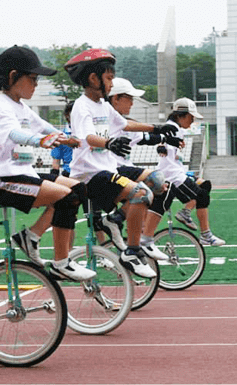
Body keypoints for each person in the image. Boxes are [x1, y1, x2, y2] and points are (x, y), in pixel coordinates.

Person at [0, 45, 95, 281]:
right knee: (67, 198)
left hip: (23, 174)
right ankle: (61, 263)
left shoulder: (20, 107)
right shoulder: (0, 107)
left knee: (77, 189)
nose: (36, 83)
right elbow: (14, 134)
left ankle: (31, 237)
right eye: (32, 78)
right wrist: (41, 140)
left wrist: (68, 139)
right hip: (0, 181)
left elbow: (44, 126)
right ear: (12, 76)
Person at [64, 49, 176, 278]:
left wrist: (156, 128)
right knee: (141, 193)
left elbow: (125, 124)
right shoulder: (82, 106)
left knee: (148, 190)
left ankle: (119, 227)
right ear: (94, 79)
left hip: (106, 170)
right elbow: (86, 137)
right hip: (88, 174)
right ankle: (131, 252)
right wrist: (109, 143)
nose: (112, 82)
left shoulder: (104, 106)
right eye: (109, 78)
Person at [99, 77, 184, 251]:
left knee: (161, 189)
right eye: (129, 98)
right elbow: (131, 126)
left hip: (120, 168)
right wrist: (159, 130)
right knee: (157, 182)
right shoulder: (105, 114)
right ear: (115, 98)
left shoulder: (117, 118)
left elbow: (144, 138)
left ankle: (137, 233)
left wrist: (164, 136)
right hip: (110, 170)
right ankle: (135, 236)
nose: (132, 103)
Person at [142, 97, 226, 247]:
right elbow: (163, 140)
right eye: (191, 117)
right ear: (182, 115)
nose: (192, 120)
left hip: (178, 172)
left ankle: (186, 214)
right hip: (172, 176)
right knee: (202, 196)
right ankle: (205, 234)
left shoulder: (176, 128)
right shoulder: (172, 127)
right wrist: (161, 147)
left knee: (205, 185)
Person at [50, 102, 79, 177]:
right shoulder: (61, 136)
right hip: (69, 173)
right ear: (67, 115)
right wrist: (54, 178)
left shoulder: (90, 134)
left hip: (89, 173)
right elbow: (56, 161)